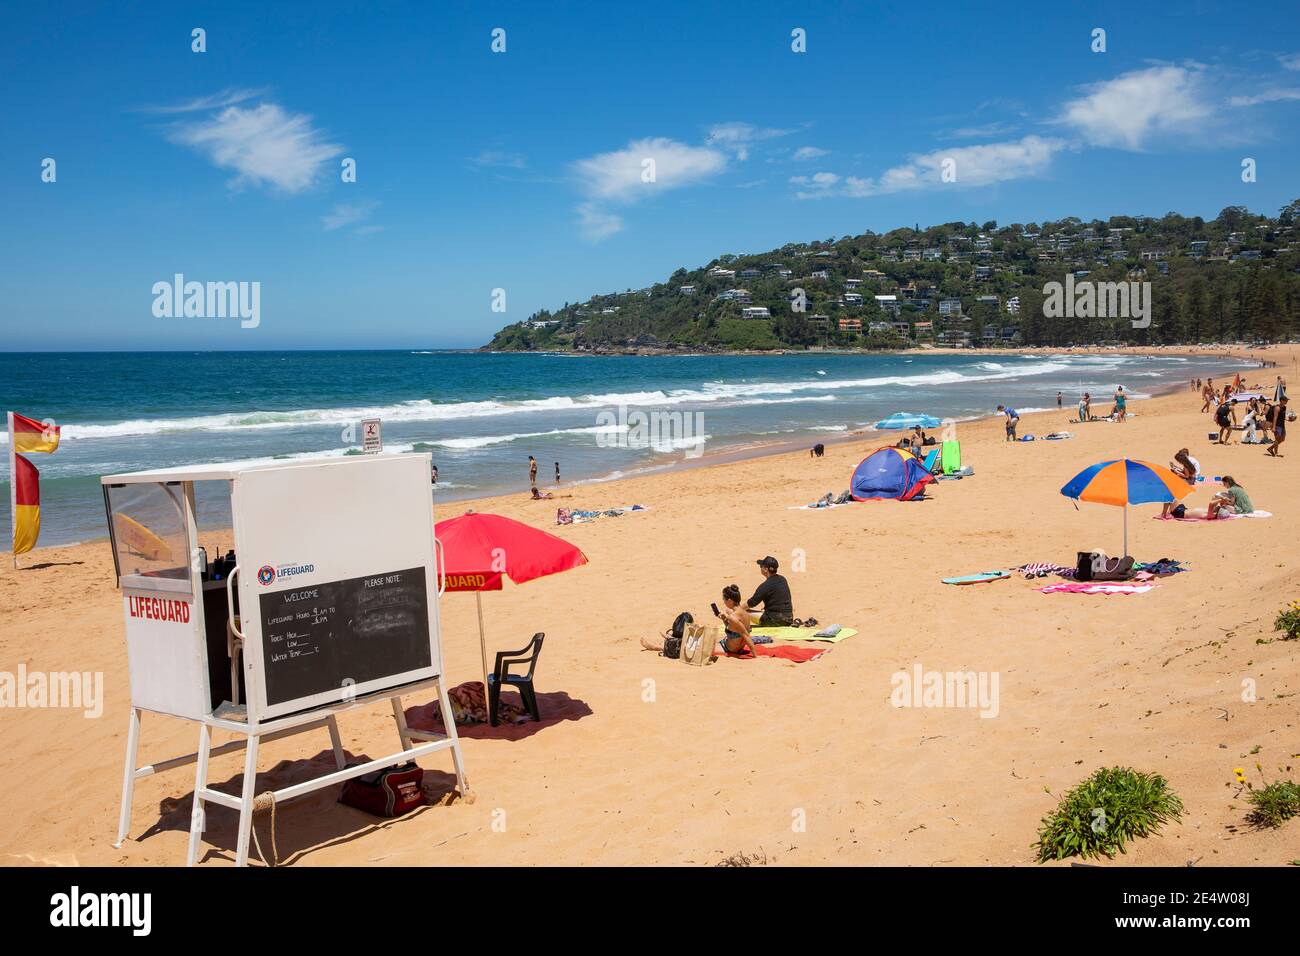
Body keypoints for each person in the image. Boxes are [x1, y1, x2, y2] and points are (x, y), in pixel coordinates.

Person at [747, 555, 794, 626]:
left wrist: (737, 610)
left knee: (742, 611)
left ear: (766, 569)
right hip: (788, 619)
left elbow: (751, 603)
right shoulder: (782, 579)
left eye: (761, 567)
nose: (760, 568)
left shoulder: (766, 585)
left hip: (775, 620)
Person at [717, 584, 759, 656]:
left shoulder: (733, 617)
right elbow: (736, 630)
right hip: (739, 647)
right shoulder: (746, 613)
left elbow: (745, 635)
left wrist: (755, 655)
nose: (723, 602)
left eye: (724, 599)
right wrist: (724, 620)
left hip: (729, 648)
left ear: (729, 600)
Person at [1162, 448, 1200, 516]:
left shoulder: (1186, 466)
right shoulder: (1188, 464)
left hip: (1189, 480)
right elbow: (1186, 473)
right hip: (1192, 479)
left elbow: (1186, 476)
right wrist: (1176, 468)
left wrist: (1176, 471)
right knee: (1175, 475)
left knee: (1173, 479)